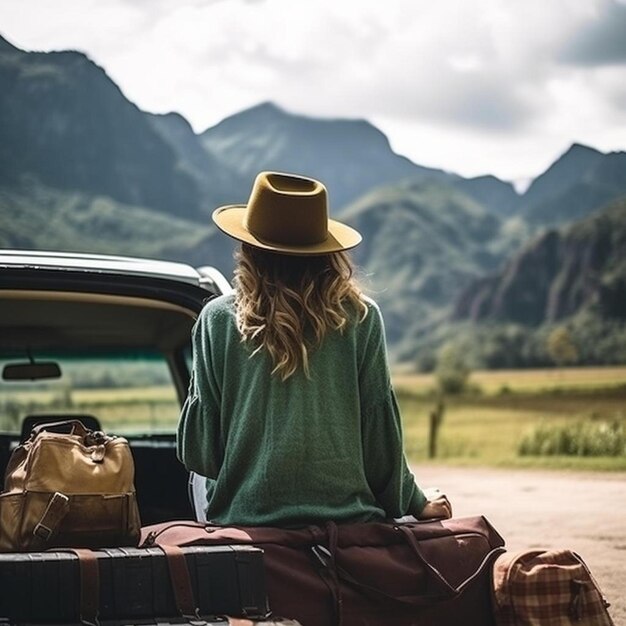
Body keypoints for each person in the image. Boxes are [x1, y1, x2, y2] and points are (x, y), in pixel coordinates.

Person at [177, 171, 451, 527]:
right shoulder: (362, 318)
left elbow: (200, 453)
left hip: (246, 521)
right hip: (347, 521)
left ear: (248, 248)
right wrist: (414, 501)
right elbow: (378, 435)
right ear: (326, 253)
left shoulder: (216, 319)